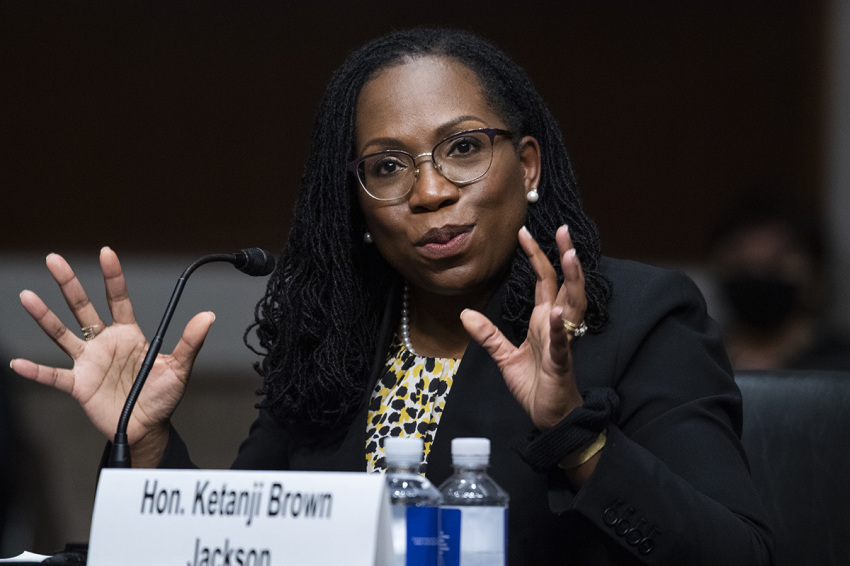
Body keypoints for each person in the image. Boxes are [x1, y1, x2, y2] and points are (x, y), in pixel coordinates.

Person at [9, 27, 773, 564]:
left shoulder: (633, 318)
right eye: (387, 166)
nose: (432, 191)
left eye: (464, 149)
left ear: (529, 166)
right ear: (360, 203)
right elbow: (244, 545)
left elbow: (739, 555)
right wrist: (143, 447)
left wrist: (577, 435)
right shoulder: (337, 338)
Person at [710, 196, 850, 371]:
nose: (758, 274)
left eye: (776, 264)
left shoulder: (841, 369)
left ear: (817, 276)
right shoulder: (699, 360)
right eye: (742, 263)